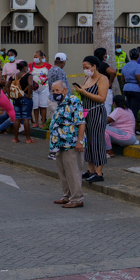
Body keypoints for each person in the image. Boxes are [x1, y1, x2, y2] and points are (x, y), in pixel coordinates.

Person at [47, 80, 86, 208]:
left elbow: (80, 122)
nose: (55, 93)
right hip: (59, 143)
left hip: (71, 143)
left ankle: (77, 199)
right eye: (53, 91)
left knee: (73, 170)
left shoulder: (73, 101)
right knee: (62, 171)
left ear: (64, 90)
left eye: (57, 90)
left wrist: (80, 141)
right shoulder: (59, 103)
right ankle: (67, 196)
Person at [76, 56, 109, 183]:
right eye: (84, 68)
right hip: (86, 112)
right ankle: (90, 170)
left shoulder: (103, 79)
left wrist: (84, 93)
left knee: (97, 141)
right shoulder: (87, 77)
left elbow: (102, 98)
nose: (85, 70)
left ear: (94, 66)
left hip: (97, 112)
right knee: (88, 141)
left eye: (87, 67)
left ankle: (99, 171)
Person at [8, 60, 34, 143]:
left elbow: (6, 85)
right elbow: (30, 85)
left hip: (16, 98)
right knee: (26, 119)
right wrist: (29, 94)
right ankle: (28, 139)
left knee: (17, 118)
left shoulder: (14, 76)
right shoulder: (28, 75)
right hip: (25, 98)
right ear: (24, 67)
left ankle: (15, 138)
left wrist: (10, 95)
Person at [46, 54, 70, 140]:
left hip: (51, 99)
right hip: (58, 101)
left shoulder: (51, 70)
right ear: (63, 62)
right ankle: (59, 142)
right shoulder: (60, 71)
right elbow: (61, 88)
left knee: (54, 122)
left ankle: (54, 141)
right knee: (60, 124)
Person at [120, 48, 140, 121]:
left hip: (127, 89)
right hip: (137, 90)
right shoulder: (137, 66)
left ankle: (129, 127)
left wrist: (126, 86)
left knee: (129, 110)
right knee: (134, 111)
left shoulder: (125, 66)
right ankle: (133, 129)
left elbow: (123, 79)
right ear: (138, 57)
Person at [29, 51, 51, 128]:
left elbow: (51, 76)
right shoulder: (31, 65)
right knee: (35, 106)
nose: (35, 58)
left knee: (43, 105)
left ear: (41, 58)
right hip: (34, 89)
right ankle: (36, 122)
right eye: (34, 57)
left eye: (36, 57)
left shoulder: (48, 66)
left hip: (44, 88)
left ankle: (43, 123)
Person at [93, 47, 116, 114]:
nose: (107, 55)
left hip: (95, 90)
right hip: (105, 91)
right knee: (106, 111)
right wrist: (110, 82)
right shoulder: (103, 65)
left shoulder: (93, 65)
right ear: (103, 55)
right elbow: (113, 72)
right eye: (106, 54)